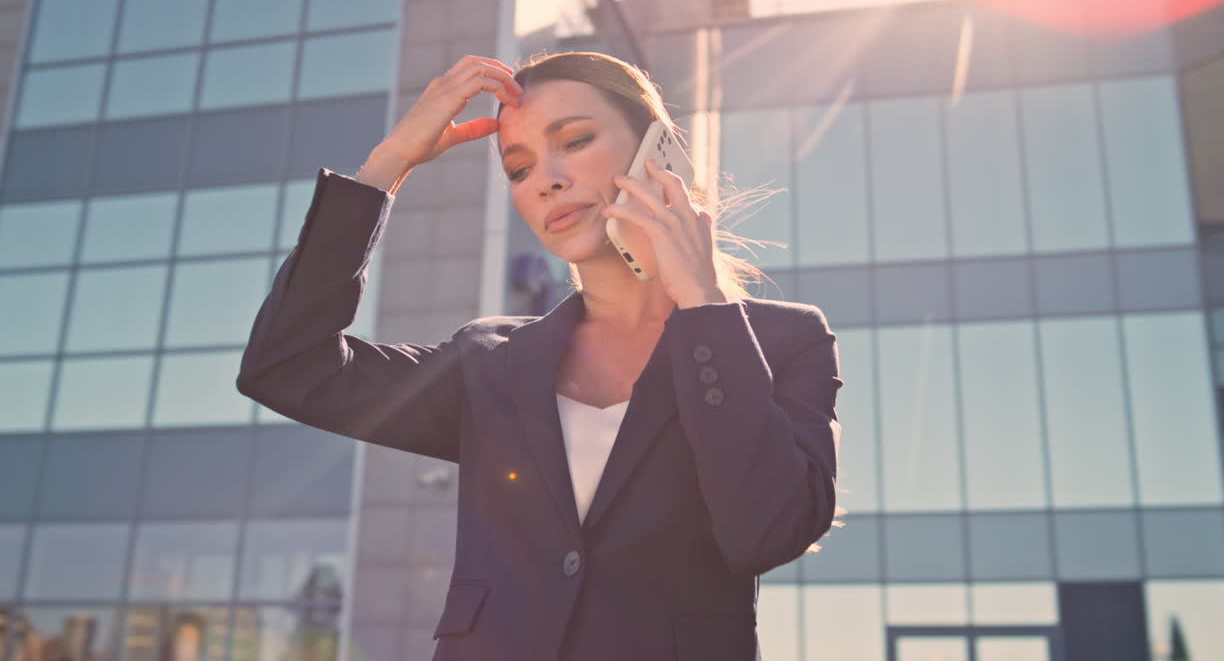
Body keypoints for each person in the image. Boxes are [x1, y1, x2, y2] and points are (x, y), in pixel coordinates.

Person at [236, 51, 843, 661]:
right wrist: (386, 168)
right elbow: (288, 366)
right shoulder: (491, 361)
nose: (545, 180)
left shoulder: (782, 344)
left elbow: (764, 531)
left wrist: (703, 305)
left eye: (575, 140)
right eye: (518, 169)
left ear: (658, 150)